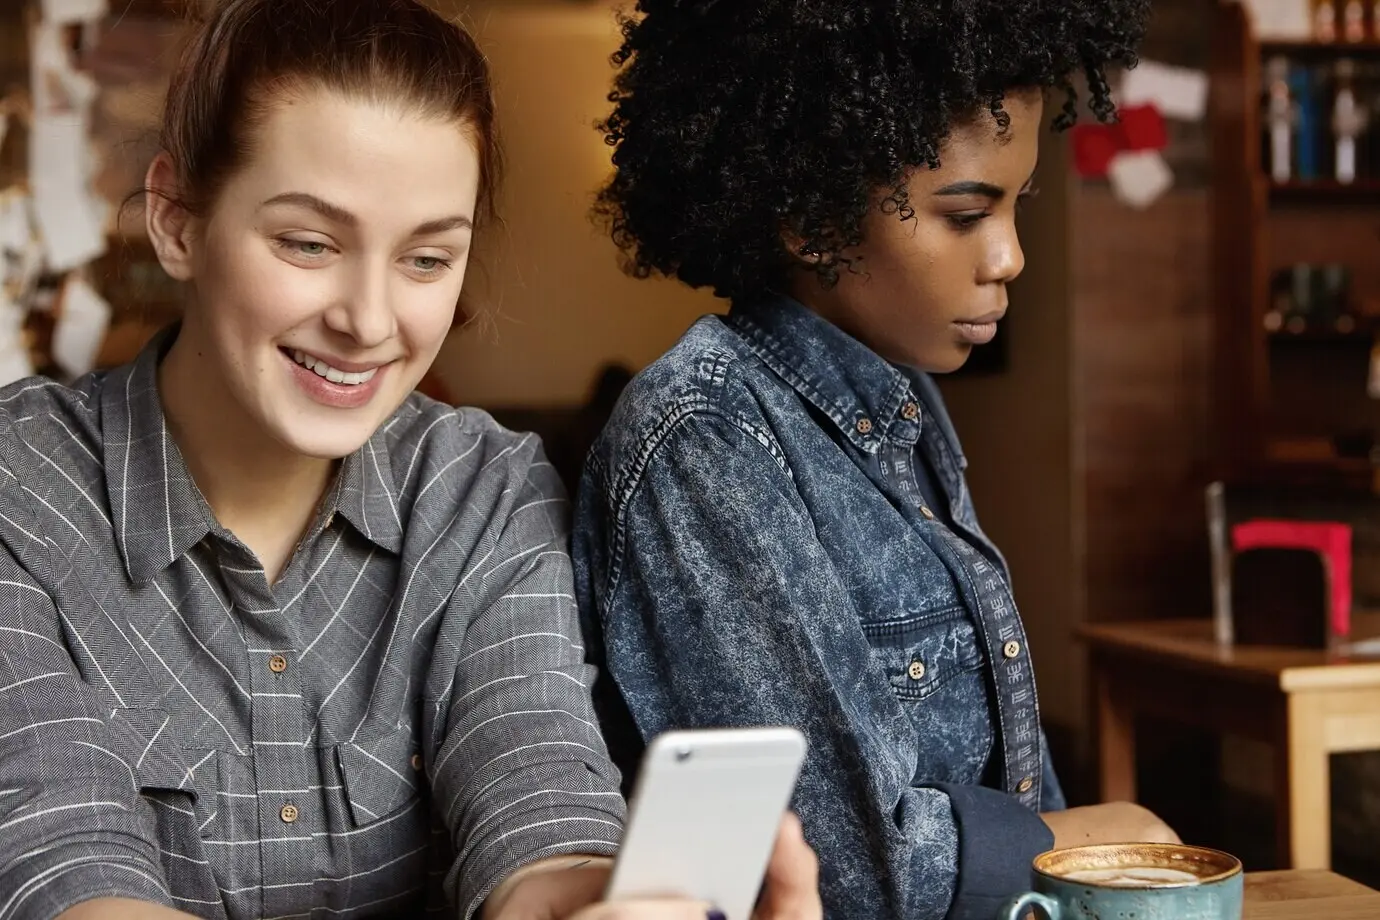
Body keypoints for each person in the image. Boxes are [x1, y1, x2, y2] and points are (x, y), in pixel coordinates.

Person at [0, 2, 821, 919]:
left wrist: (591, 899)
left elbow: (534, 779)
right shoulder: (21, 491)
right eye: (308, 243)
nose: (370, 321)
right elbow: (64, 864)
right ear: (177, 220)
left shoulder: (486, 491)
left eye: (427, 259)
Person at [572, 2, 1178, 919]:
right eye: (968, 212)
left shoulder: (901, 403)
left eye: (1017, 206)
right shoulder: (703, 440)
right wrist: (1086, 842)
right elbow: (841, 869)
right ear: (811, 216)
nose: (1010, 256)